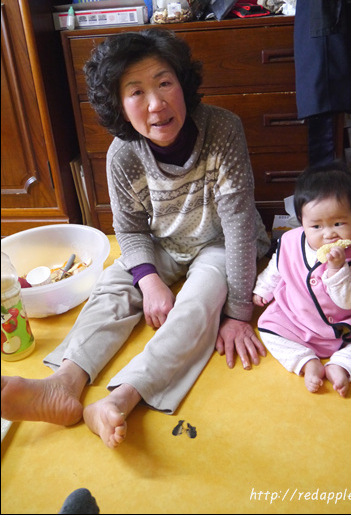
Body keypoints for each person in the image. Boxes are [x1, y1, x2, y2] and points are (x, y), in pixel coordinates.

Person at [1, 29, 270, 448]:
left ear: (182, 84)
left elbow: (238, 225)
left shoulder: (222, 128)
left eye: (164, 83)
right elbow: (129, 230)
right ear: (120, 108)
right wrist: (149, 280)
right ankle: (64, 383)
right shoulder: (122, 155)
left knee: (198, 303)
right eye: (137, 92)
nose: (156, 103)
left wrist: (237, 315)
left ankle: (121, 399)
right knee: (113, 282)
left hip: (219, 241)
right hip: (162, 241)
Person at [253, 161, 351, 397]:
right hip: (296, 317)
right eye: (316, 226)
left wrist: (338, 270)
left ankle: (342, 364)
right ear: (302, 221)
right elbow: (277, 267)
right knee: (267, 328)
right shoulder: (289, 242)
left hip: (346, 324)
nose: (329, 234)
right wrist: (263, 289)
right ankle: (306, 361)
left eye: (338, 223)